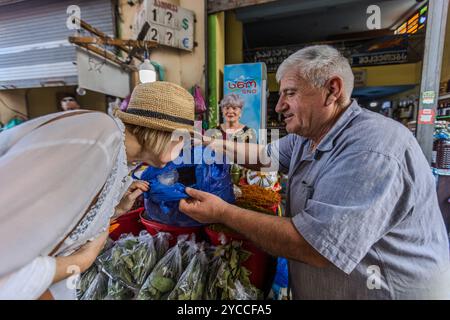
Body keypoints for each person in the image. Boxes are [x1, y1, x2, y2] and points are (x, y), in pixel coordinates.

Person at [180, 45, 450, 299]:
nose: (278, 106)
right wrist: (208, 142)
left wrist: (222, 213)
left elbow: (313, 245)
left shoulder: (372, 148)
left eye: (290, 93)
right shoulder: (308, 136)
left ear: (332, 90)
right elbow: (263, 156)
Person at [0, 81, 194, 299]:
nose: (185, 147)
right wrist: (84, 260)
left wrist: (113, 209)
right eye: (183, 139)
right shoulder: (99, 139)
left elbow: (66, 222)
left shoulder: (120, 156)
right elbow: (8, 263)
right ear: (164, 134)